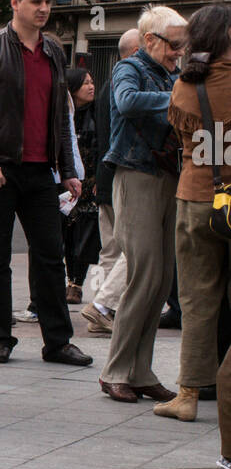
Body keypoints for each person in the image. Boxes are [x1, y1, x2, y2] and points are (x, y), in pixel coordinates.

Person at [0, 0, 91, 367]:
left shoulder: (54, 52)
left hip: (43, 172)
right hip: (0, 170)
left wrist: (68, 167)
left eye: (48, 2)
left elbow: (60, 116)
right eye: (35, 1)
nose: (43, 9)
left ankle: (57, 341)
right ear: (14, 3)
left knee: (51, 257)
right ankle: (0, 337)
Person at [98, 6, 187, 402]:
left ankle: (142, 370)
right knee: (144, 275)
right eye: (174, 45)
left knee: (161, 279)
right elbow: (129, 102)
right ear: (149, 40)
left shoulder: (174, 74)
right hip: (136, 176)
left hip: (168, 177)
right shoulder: (129, 69)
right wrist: (178, 98)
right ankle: (115, 370)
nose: (178, 53)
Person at [154, 4, 231, 422]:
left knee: (197, 300)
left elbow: (179, 135)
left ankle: (187, 394)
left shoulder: (185, 85)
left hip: (196, 198)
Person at [81, 29, 140, 334]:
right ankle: (103, 305)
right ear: (135, 51)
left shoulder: (107, 86)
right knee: (133, 247)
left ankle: (100, 314)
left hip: (106, 177)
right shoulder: (127, 84)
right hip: (121, 177)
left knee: (112, 249)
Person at [60, 68, 99, 305]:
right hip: (67, 182)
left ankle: (76, 284)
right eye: (85, 83)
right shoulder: (65, 114)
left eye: (92, 81)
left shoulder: (97, 114)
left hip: (89, 183)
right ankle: (65, 280)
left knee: (83, 235)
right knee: (65, 234)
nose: (91, 86)